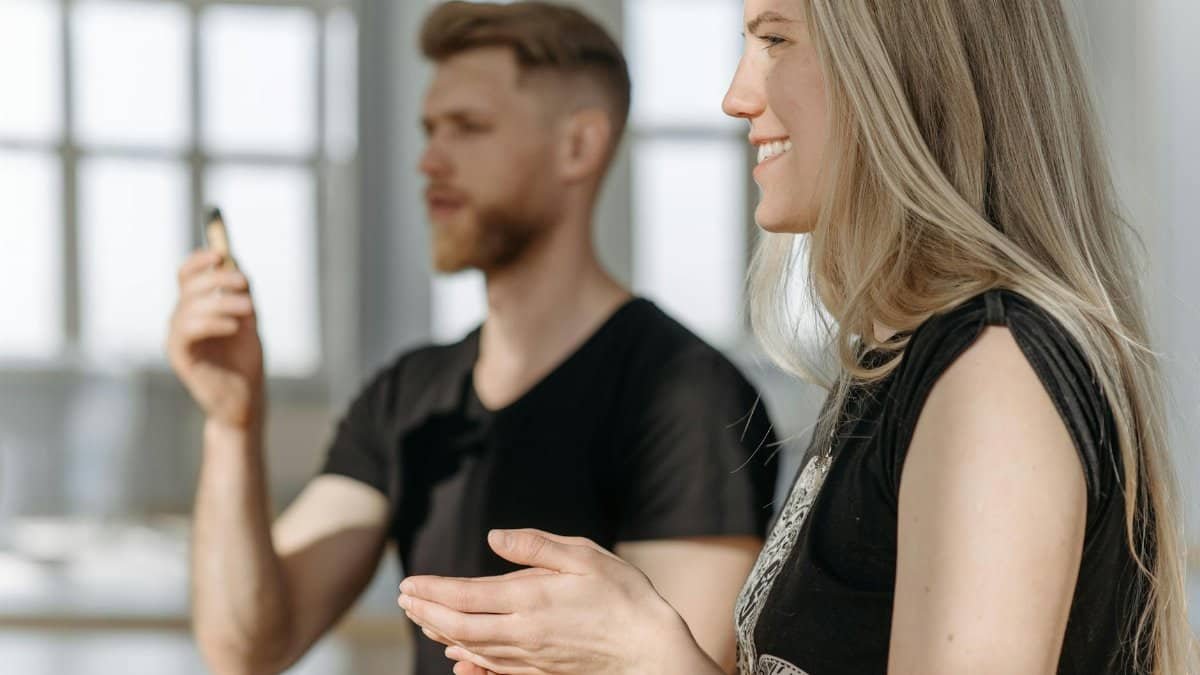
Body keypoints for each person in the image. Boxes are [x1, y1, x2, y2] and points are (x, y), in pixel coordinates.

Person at [396, 0, 1199, 674]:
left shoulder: (992, 372)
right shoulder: (900, 368)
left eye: (775, 39)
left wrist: (651, 656)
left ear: (900, 61)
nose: (738, 96)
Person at [166, 3, 778, 674]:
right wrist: (231, 423)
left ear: (577, 145)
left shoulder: (688, 397)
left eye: (468, 128)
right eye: (430, 129)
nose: (429, 160)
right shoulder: (407, 394)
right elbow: (247, 644)